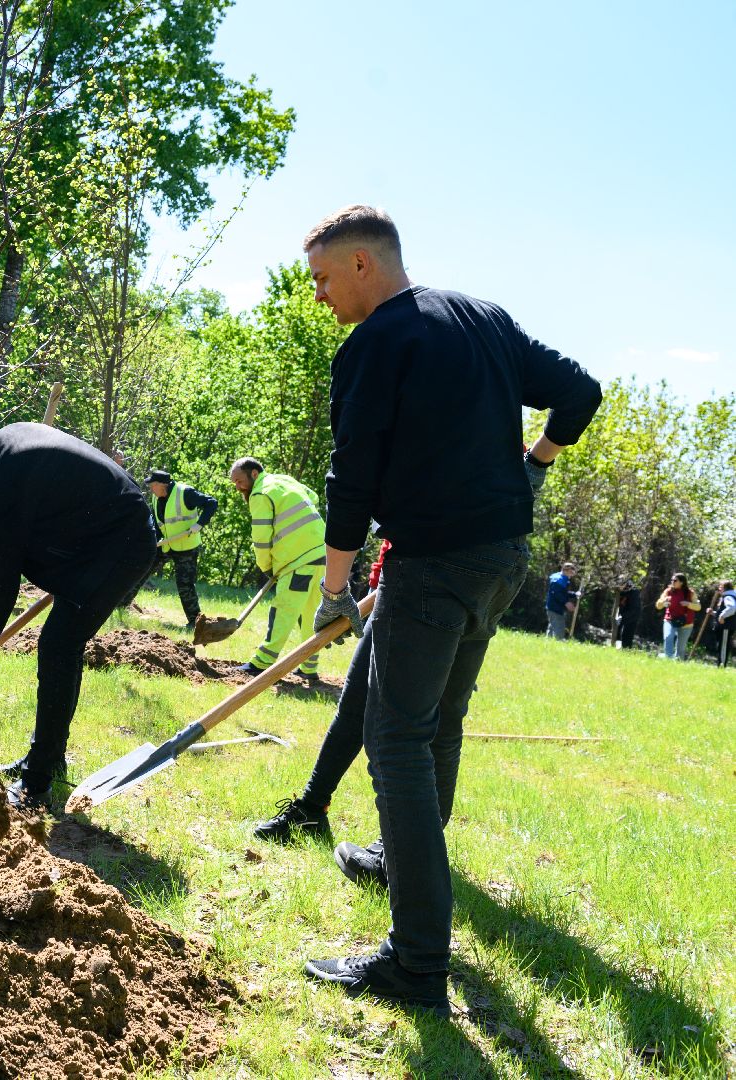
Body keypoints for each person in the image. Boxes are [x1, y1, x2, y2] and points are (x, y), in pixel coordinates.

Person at [294, 205, 600, 1015]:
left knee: (395, 740)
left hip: (433, 565)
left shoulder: (375, 345)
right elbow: (581, 392)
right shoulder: (484, 318)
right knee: (440, 725)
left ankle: (417, 964)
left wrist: (333, 590)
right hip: (502, 558)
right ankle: (402, 866)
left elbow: (351, 479)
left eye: (324, 278)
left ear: (364, 264)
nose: (320, 295)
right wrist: (534, 468)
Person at [0, 408, 157, 809]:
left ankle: (36, 784)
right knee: (59, 643)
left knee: (58, 645)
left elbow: (2, 582)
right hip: (95, 539)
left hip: (119, 543)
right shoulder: (1, 451)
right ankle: (46, 759)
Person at [253, 541, 391, 843]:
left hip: (422, 575)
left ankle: (403, 847)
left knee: (388, 718)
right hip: (417, 576)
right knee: (358, 703)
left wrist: (336, 594)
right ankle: (312, 809)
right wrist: (377, 579)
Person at [229, 458, 327, 684]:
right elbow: (312, 497)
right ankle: (309, 667)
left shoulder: (260, 494)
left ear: (254, 474)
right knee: (311, 613)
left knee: (284, 609)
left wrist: (266, 566)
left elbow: (261, 538)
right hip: (322, 552)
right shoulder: (283, 480)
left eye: (240, 481)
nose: (238, 487)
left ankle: (261, 664)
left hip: (298, 559)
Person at [146, 469, 218, 629]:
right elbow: (158, 522)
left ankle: (195, 622)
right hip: (166, 544)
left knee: (185, 584)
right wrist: (156, 540)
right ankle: (123, 604)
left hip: (186, 546)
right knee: (142, 569)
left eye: (153, 485)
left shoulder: (185, 493)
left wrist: (199, 524)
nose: (151, 489)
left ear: (162, 485)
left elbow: (211, 503)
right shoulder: (156, 496)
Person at [656, 572, 701, 660]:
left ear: (682, 582)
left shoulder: (690, 592)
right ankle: (668, 658)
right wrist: (664, 601)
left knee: (681, 648)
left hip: (687, 623)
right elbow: (658, 605)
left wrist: (688, 604)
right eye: (672, 580)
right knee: (668, 637)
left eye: (675, 580)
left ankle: (678, 661)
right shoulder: (668, 591)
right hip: (670, 620)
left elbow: (698, 607)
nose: (672, 582)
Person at [543, 562, 578, 639]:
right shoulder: (558, 580)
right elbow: (557, 593)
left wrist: (575, 594)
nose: (572, 574)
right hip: (555, 608)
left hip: (553, 607)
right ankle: (559, 642)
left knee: (552, 626)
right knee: (559, 626)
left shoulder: (562, 578)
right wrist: (566, 602)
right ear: (566, 570)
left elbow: (563, 593)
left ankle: (547, 643)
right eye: (571, 572)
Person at [711, 579, 736, 668]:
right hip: (724, 626)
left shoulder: (728, 596)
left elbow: (732, 608)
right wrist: (713, 613)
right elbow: (724, 611)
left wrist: (722, 616)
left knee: (723, 646)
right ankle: (720, 663)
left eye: (720, 587)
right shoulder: (726, 596)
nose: (719, 589)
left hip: (726, 626)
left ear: (725, 588)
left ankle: (722, 664)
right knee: (721, 645)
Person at [615, 583, 642, 649]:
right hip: (622, 612)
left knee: (627, 634)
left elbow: (634, 609)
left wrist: (622, 617)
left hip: (632, 614)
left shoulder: (633, 590)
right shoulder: (618, 587)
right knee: (617, 630)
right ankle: (617, 646)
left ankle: (626, 649)